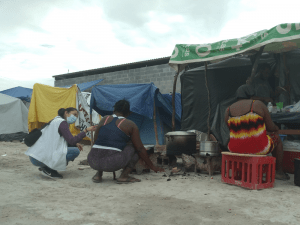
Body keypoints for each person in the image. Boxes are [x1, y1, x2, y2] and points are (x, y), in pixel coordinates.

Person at [88, 99, 165, 184]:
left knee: (102, 144)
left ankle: (98, 175)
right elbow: (140, 149)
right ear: (129, 113)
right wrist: (152, 166)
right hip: (112, 164)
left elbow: (96, 140)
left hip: (92, 160)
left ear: (114, 110)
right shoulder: (130, 124)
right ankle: (124, 176)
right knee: (135, 146)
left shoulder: (104, 119)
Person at [224, 84, 290, 180]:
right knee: (277, 139)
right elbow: (270, 127)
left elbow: (232, 129)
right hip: (258, 147)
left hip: (234, 148)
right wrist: (276, 129)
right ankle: (279, 172)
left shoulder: (228, 110)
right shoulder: (257, 104)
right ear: (251, 95)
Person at [25, 107, 96, 179]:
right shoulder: (62, 123)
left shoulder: (55, 120)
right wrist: (86, 130)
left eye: (76, 116)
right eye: (74, 114)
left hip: (35, 156)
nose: (75, 118)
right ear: (66, 113)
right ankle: (49, 169)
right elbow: (71, 140)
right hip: (39, 158)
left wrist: (75, 143)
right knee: (75, 151)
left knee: (72, 147)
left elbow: (59, 140)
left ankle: (45, 166)